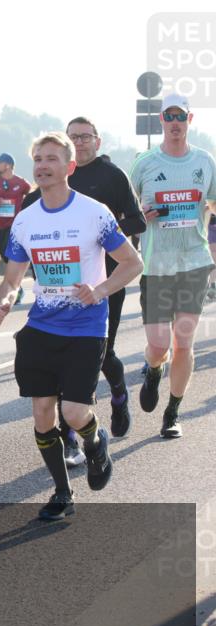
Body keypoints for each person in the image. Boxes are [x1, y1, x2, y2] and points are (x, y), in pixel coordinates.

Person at [0, 132, 142, 520]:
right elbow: (12, 278)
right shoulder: (26, 219)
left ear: (69, 167)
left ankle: (95, 438)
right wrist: (5, 302)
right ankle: (62, 492)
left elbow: (132, 263)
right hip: (42, 326)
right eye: (38, 158)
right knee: (43, 412)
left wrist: (101, 289)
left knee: (74, 412)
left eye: (52, 158)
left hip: (87, 326)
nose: (42, 165)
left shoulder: (94, 212)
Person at [22, 117, 147, 461]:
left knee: (105, 355)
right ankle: (72, 440)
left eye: (85, 136)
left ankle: (119, 396)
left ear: (97, 141)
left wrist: (98, 234)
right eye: (73, 136)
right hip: (63, 294)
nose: (80, 141)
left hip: (109, 280)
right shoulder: (47, 190)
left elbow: (138, 222)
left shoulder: (112, 177)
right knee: (63, 368)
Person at [130, 93, 216, 439]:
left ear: (190, 120)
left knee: (184, 340)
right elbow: (128, 211)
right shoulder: (144, 162)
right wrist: (141, 217)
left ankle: (172, 411)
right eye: (170, 116)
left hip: (194, 261)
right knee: (159, 344)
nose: (176, 123)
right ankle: (153, 371)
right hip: (156, 264)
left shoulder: (205, 161)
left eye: (182, 116)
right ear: (161, 121)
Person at [0, 153, 31, 298]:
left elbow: (32, 197)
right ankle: (11, 284)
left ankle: (16, 287)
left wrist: (24, 211)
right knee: (0, 253)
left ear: (8, 165)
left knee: (8, 253)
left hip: (15, 225)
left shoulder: (21, 183)